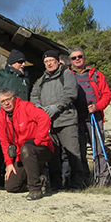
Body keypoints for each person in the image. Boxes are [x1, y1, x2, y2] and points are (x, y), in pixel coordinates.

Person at [31, 50, 86, 190]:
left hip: (66, 120)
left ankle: (77, 184)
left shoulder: (66, 74)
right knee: (53, 156)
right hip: (49, 123)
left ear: (57, 61)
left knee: (73, 154)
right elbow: (34, 94)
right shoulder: (42, 79)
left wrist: (57, 107)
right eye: (46, 62)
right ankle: (56, 185)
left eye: (51, 60)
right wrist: (38, 107)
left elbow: (71, 93)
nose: (49, 64)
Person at [0, 88, 54, 200]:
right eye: (2, 101)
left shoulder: (26, 106)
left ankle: (35, 189)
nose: (6, 103)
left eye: (8, 99)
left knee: (27, 149)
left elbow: (45, 118)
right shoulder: (1, 116)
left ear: (14, 98)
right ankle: (41, 179)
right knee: (11, 186)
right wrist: (9, 163)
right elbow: (4, 142)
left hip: (41, 148)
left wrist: (37, 140)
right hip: (20, 154)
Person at [70, 48, 111, 186]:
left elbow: (106, 94)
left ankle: (102, 180)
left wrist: (97, 106)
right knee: (79, 150)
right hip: (76, 118)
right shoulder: (69, 75)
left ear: (84, 58)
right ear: (70, 61)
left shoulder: (96, 75)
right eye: (74, 58)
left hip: (94, 115)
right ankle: (84, 180)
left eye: (80, 56)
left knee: (99, 149)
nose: (77, 59)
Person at [0, 49, 31, 128]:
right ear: (12, 63)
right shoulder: (0, 75)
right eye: (20, 62)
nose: (23, 64)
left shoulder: (26, 78)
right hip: (3, 117)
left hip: (22, 118)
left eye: (24, 62)